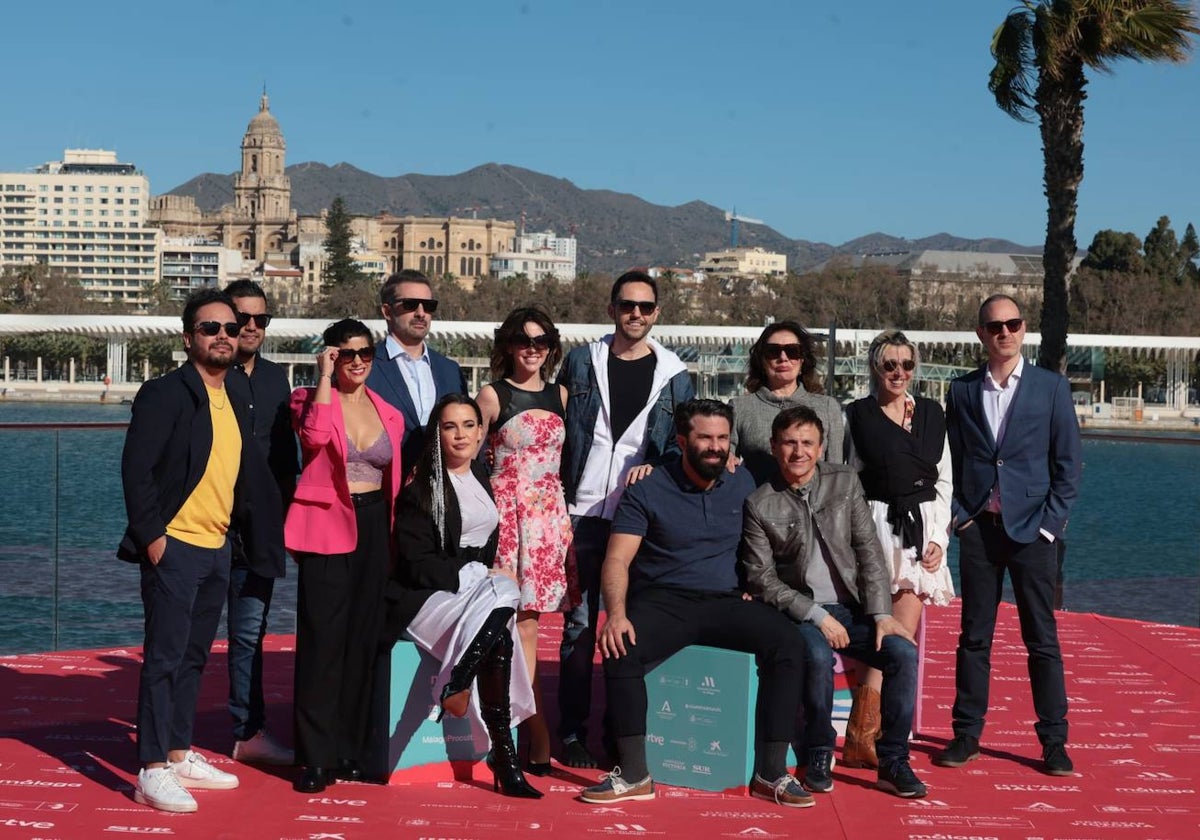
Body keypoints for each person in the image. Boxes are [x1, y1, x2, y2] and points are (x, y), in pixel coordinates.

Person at [580, 399, 812, 809]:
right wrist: (615, 615)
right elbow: (617, 559)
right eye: (705, 437)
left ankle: (771, 772)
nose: (715, 447)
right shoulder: (647, 488)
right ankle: (634, 774)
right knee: (620, 649)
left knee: (789, 644)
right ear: (681, 440)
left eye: (723, 438)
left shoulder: (742, 480)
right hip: (664, 601)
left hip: (725, 599)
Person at [118, 288, 284, 813]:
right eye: (210, 328)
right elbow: (136, 472)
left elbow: (247, 474)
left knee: (193, 659)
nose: (223, 336)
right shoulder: (164, 393)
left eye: (230, 329)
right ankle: (151, 769)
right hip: (176, 547)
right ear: (188, 337)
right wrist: (154, 540)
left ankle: (179, 750)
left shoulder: (234, 391)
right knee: (163, 659)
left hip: (217, 547)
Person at [741, 405, 926, 799]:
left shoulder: (844, 482)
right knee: (818, 656)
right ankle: (820, 749)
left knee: (903, 654)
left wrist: (880, 613)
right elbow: (763, 579)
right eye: (789, 443)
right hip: (799, 614)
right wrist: (816, 615)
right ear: (774, 447)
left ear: (822, 447)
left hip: (855, 609)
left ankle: (893, 760)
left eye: (807, 443)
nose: (798, 452)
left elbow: (869, 550)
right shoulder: (760, 503)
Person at [934, 294, 1082, 777]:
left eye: (1012, 324)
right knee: (974, 638)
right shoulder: (960, 391)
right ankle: (966, 734)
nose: (1004, 332)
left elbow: (1068, 467)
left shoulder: (1051, 389)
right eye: (994, 326)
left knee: (1042, 639)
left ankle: (1054, 742)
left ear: (1024, 329)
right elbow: (949, 462)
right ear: (981, 333)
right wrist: (960, 517)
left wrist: (1048, 526)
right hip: (980, 531)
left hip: (1033, 535)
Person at [557, 269, 695, 768]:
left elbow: (685, 445)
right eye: (627, 305)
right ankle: (570, 733)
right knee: (576, 628)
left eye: (645, 307)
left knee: (627, 629)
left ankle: (622, 738)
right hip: (580, 512)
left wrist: (657, 467)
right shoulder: (580, 361)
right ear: (612, 309)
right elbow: (557, 425)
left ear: (656, 313)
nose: (636, 314)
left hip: (639, 521)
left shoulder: (676, 375)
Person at [383, 394, 542, 799]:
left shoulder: (481, 476)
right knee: (505, 591)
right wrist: (472, 574)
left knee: (502, 623)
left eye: (469, 425)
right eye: (450, 426)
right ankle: (501, 753)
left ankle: (469, 698)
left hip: (476, 593)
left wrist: (483, 576)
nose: (460, 435)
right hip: (431, 596)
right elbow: (415, 563)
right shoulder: (422, 489)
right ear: (437, 433)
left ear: (480, 431)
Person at [285, 318, 405, 794]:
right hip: (327, 527)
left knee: (362, 641)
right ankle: (314, 757)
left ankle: (350, 750)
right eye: (346, 353)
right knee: (322, 643)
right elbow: (313, 440)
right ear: (330, 354)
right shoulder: (307, 399)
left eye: (365, 353)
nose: (357, 361)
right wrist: (322, 381)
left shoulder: (389, 412)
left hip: (376, 526)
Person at [840, 330, 953, 769]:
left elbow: (945, 481)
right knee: (878, 634)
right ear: (875, 367)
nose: (899, 373)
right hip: (874, 528)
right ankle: (862, 736)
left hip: (921, 532)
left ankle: (872, 736)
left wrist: (938, 540)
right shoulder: (857, 416)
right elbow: (847, 478)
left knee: (900, 639)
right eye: (890, 365)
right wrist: (853, 537)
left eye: (907, 365)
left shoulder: (931, 413)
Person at [476, 306, 578, 775]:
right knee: (503, 627)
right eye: (523, 340)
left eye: (541, 340)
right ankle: (521, 732)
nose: (532, 348)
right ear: (508, 345)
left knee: (530, 629)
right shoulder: (491, 396)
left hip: (547, 522)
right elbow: (468, 460)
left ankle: (531, 731)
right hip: (506, 521)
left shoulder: (562, 394)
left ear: (551, 346)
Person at [222, 279, 296, 766]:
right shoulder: (204, 377)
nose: (251, 327)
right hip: (206, 527)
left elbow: (287, 458)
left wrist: (290, 518)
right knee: (186, 635)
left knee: (250, 633)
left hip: (262, 530)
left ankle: (248, 733)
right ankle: (170, 738)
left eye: (260, 319)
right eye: (241, 319)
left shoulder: (276, 381)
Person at [366, 269, 468, 471]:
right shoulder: (365, 367)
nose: (421, 313)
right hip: (384, 490)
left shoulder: (450, 370)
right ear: (387, 311)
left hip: (442, 490)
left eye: (428, 306)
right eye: (410, 305)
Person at [729, 320, 843, 486]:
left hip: (813, 507)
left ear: (803, 360)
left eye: (792, 351)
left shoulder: (827, 408)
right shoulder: (740, 408)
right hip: (758, 505)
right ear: (762, 360)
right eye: (773, 351)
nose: (783, 358)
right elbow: (727, 463)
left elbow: (835, 472)